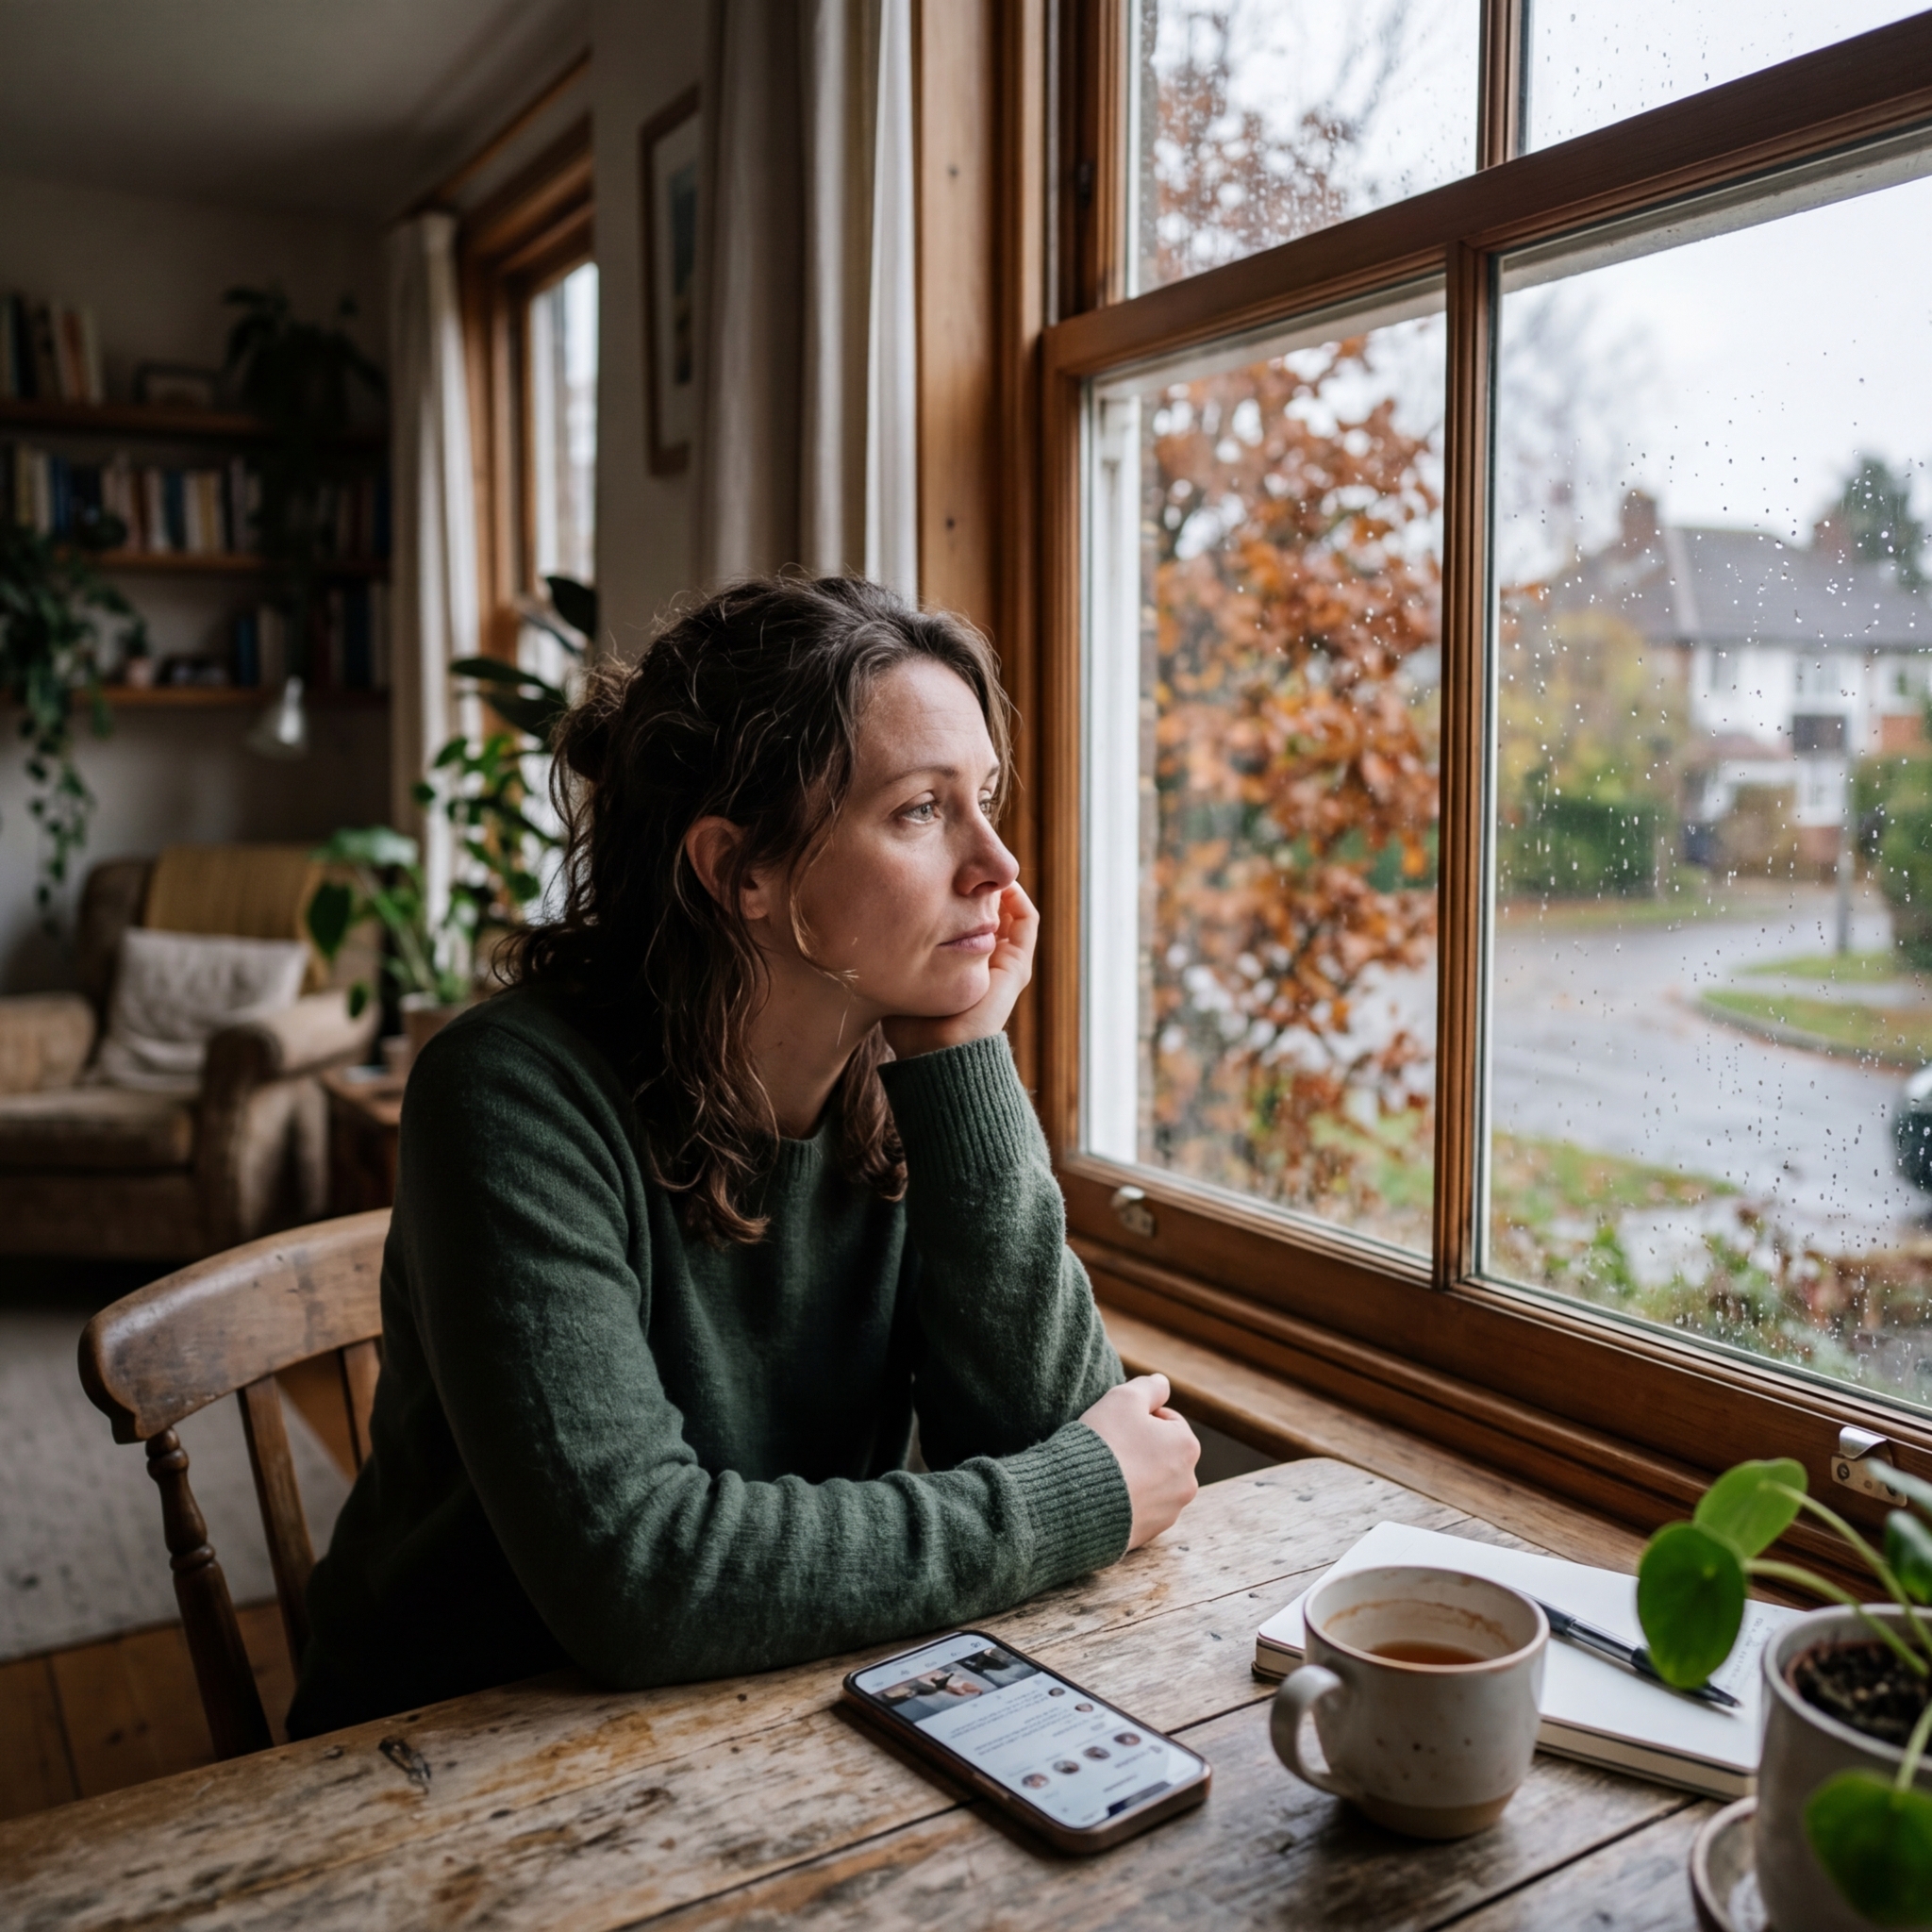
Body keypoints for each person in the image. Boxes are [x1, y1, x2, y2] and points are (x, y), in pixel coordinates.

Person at [286, 575, 1201, 1737]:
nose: (998, 865)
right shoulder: (509, 1091)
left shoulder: (907, 1073)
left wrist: (965, 1055)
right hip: (459, 1747)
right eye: (921, 810)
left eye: (985, 798)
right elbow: (642, 1576)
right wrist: (1074, 1498)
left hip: (780, 1705)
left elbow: (1045, 1425)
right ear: (739, 870)